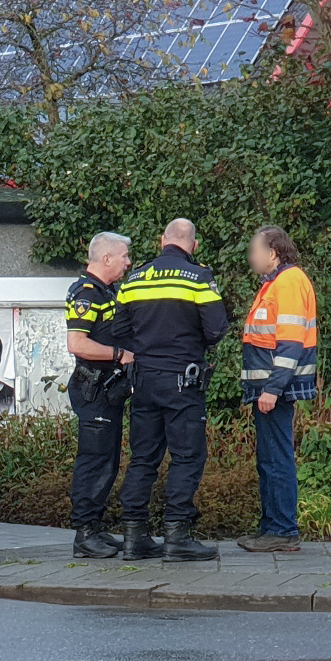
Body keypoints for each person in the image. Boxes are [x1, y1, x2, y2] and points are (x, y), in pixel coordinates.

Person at [112, 218, 230, 561]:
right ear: (193, 245)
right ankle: (177, 534)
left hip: (143, 381)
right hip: (183, 379)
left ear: (162, 240)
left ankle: (134, 537)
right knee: (188, 455)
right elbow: (217, 329)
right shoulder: (198, 277)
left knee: (143, 458)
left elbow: (120, 329)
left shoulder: (135, 278)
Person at [237, 225, 317, 552]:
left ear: (272, 252)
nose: (251, 257)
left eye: (255, 250)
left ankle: (282, 530)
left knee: (277, 459)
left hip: (275, 390)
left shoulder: (288, 282)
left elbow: (290, 343)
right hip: (271, 388)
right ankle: (273, 527)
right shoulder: (275, 283)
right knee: (269, 458)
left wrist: (272, 389)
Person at [65, 232, 135, 558]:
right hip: (93, 390)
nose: (128, 262)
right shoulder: (86, 293)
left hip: (108, 392)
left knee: (107, 462)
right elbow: (77, 343)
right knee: (94, 462)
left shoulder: (108, 292)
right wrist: (119, 354)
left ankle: (95, 526)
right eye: (124, 256)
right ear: (106, 258)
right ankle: (84, 534)